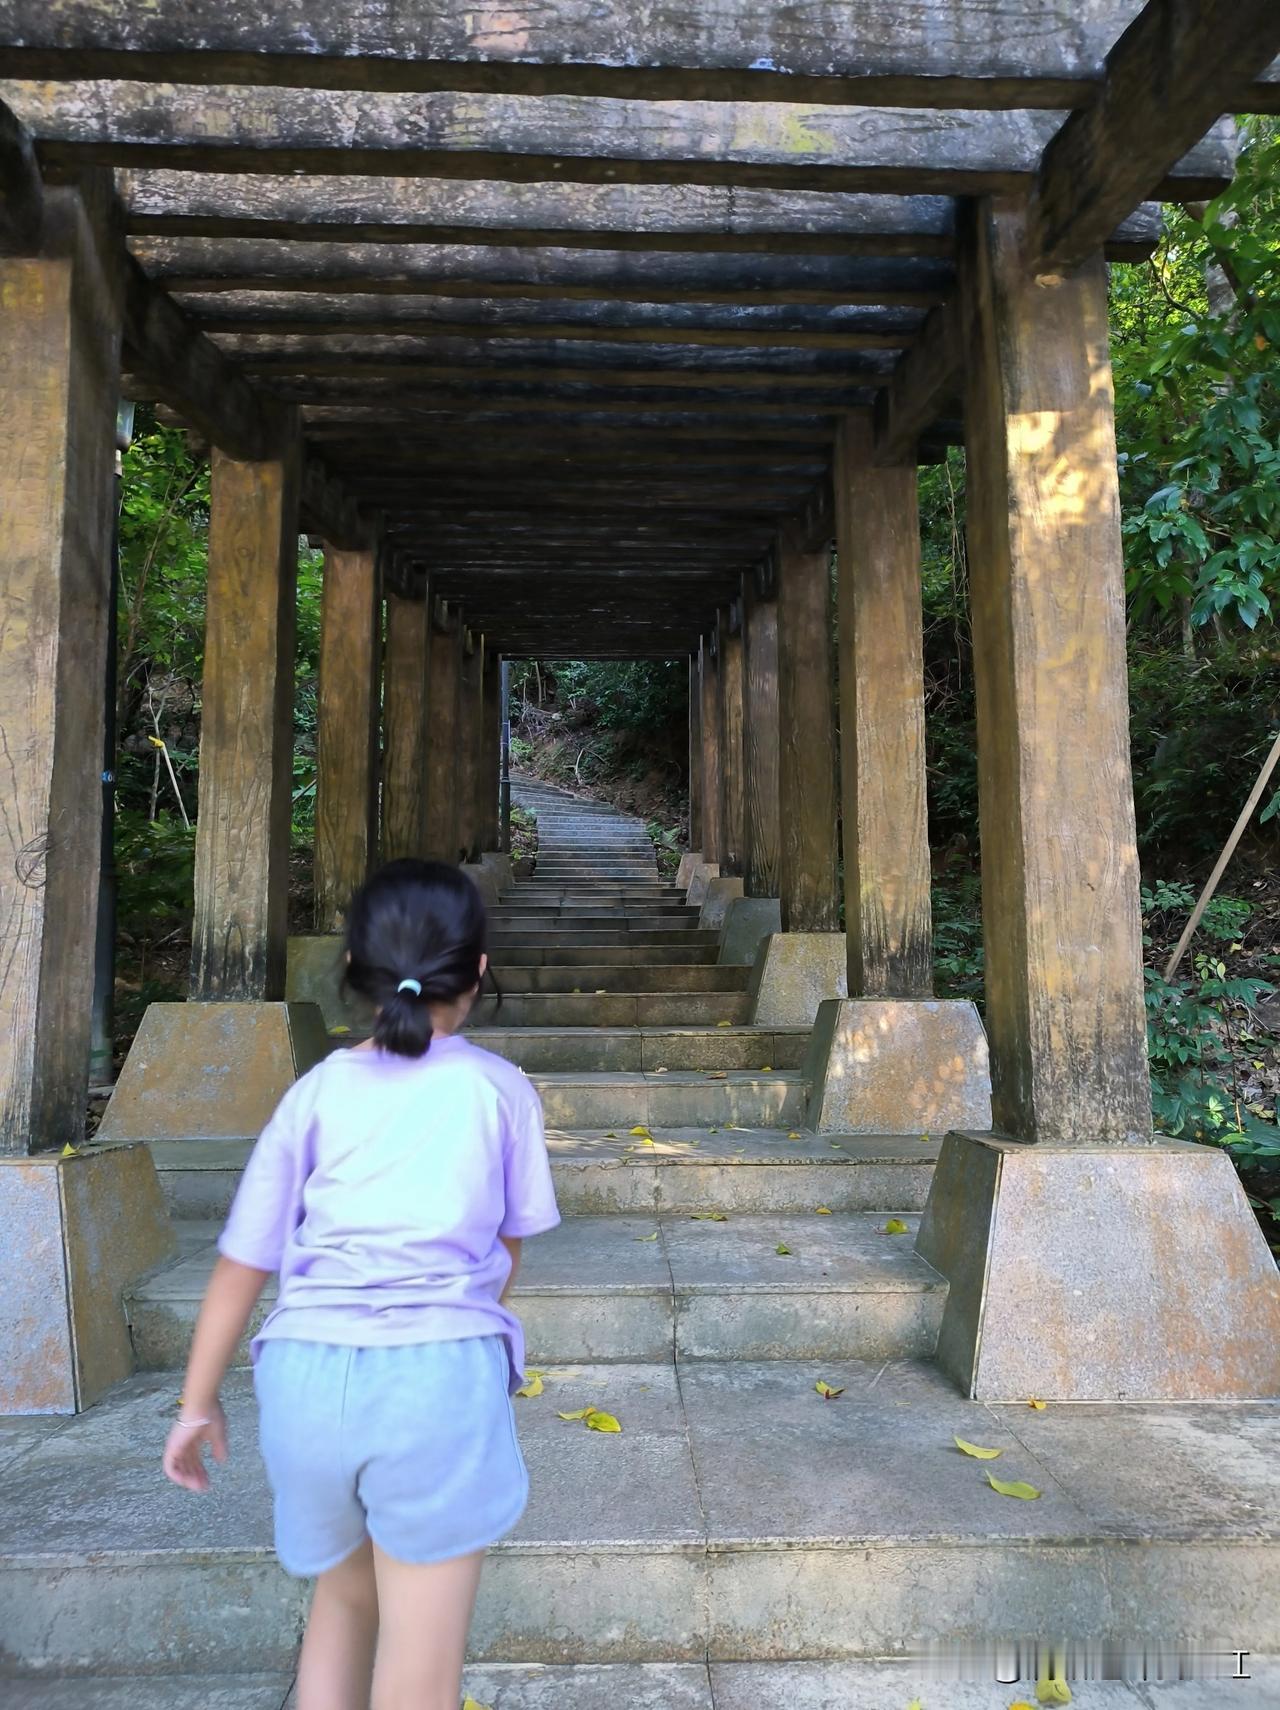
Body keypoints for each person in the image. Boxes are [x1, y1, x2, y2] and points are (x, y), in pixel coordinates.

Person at [162, 858, 560, 1710]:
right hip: (434, 1379)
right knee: (419, 1670)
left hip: (303, 1380)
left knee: (341, 1611)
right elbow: (507, 1248)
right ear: (479, 971)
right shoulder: (500, 1093)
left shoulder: (312, 1095)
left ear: (351, 970)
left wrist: (196, 1404)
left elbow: (244, 1260)